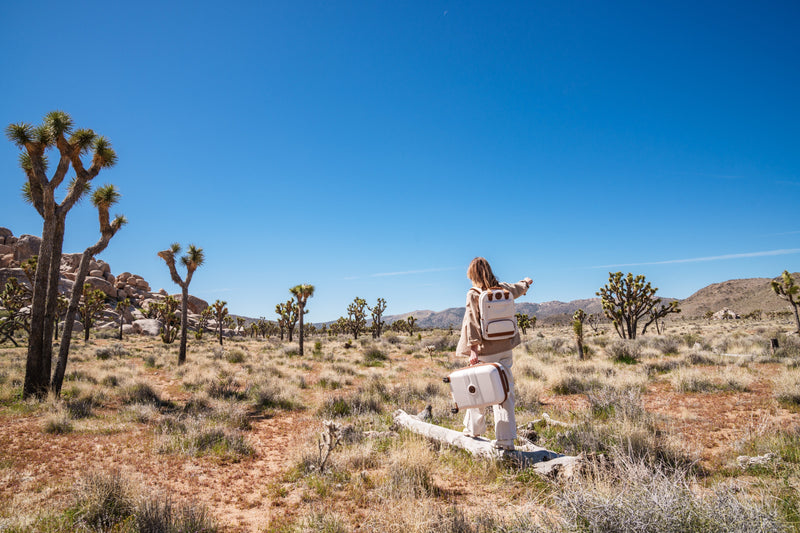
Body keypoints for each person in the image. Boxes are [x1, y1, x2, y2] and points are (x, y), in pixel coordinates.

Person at [456, 257, 532, 450]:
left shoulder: (474, 294)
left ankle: (473, 430)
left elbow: (472, 322)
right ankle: (505, 440)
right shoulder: (503, 288)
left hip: (485, 350)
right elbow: (519, 288)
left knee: (477, 391)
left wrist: (473, 350)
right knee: (505, 392)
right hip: (505, 348)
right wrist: (526, 282)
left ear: (472, 274)